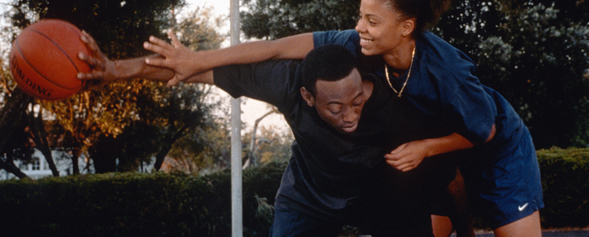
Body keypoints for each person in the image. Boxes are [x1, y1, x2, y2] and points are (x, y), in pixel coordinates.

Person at [140, 0, 543, 237]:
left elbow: (484, 130)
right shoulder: (355, 45)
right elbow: (277, 48)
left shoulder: (447, 71)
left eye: (371, 20)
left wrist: (423, 148)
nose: (358, 27)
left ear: (406, 28)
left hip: (495, 148)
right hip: (438, 149)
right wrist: (199, 59)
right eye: (360, 16)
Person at [78, 38, 454, 237]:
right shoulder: (286, 83)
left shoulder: (398, 106)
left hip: (381, 196)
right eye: (335, 108)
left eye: (357, 101)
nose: (350, 115)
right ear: (307, 97)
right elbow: (189, 71)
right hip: (309, 196)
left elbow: (471, 140)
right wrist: (115, 70)